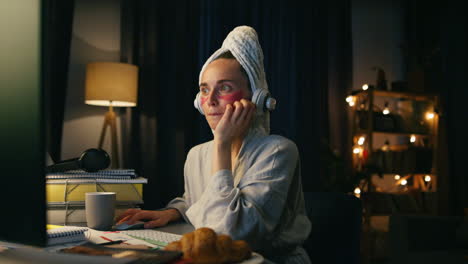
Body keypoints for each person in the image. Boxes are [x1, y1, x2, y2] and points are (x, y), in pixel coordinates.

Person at [116, 25, 312, 263]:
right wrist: (173, 211)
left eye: (225, 88)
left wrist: (221, 143)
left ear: (256, 98)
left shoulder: (278, 151)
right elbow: (199, 200)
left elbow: (229, 232)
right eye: (205, 90)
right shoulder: (197, 155)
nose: (209, 101)